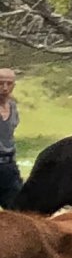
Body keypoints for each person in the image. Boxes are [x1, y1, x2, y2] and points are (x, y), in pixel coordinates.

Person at [0, 70, 21, 207]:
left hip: (9, 166)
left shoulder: (13, 107)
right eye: (1, 83)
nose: (5, 88)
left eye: (9, 83)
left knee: (19, 212)